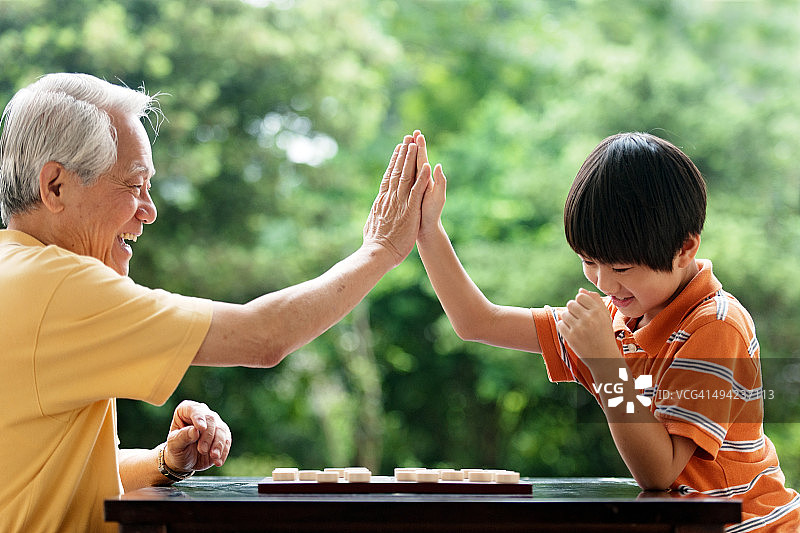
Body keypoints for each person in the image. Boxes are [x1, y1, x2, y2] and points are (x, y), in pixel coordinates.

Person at [0, 73, 426, 532]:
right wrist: (380, 250)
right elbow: (263, 336)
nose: (149, 209)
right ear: (56, 186)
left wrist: (165, 462)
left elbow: (53, 479)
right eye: (133, 184)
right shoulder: (60, 288)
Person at [413, 131, 800, 532]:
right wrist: (428, 231)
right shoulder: (616, 320)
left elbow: (660, 472)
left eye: (620, 268)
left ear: (685, 248)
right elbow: (478, 322)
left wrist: (607, 366)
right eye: (588, 261)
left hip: (753, 527)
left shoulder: (716, 325)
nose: (604, 284)